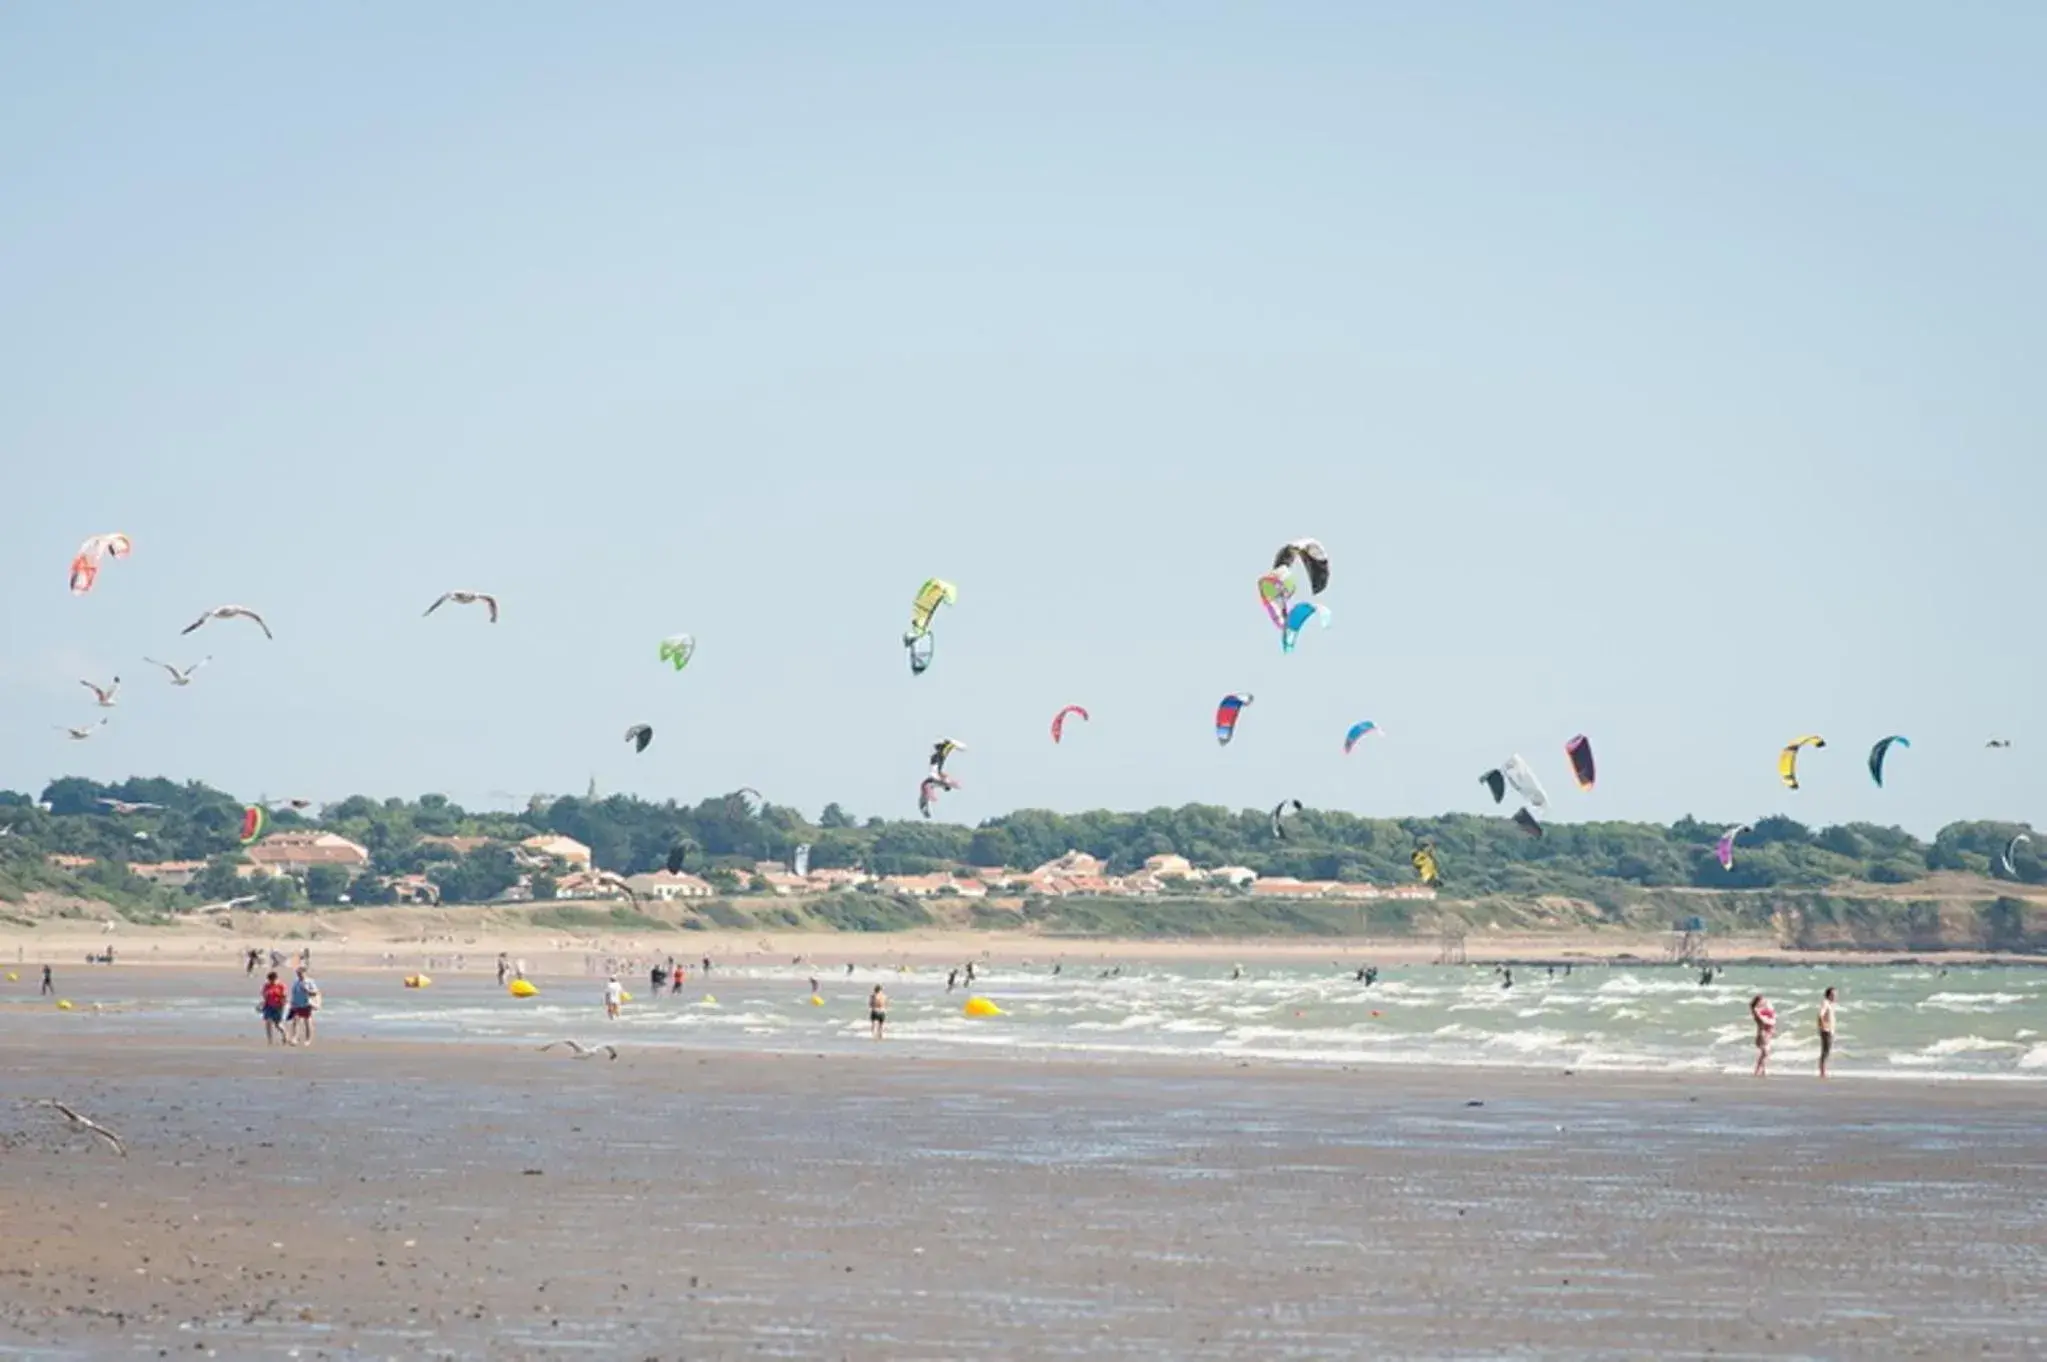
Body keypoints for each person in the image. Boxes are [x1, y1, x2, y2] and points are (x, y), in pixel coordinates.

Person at [287, 966, 321, 1046]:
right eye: (297, 974)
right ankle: (295, 1038)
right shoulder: (296, 982)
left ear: (304, 973)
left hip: (306, 1004)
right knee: (295, 1021)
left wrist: (307, 990)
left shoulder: (309, 982)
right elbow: (294, 993)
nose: (298, 975)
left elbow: (315, 993)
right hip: (297, 1004)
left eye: (300, 973)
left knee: (307, 1021)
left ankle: (308, 1039)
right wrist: (292, 1003)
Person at [260, 971, 289, 1045]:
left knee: (278, 1024)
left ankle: (285, 1034)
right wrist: (263, 1003)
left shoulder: (281, 986)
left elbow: (285, 997)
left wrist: (283, 1004)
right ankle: (270, 1040)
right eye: (270, 980)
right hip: (268, 1006)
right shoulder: (266, 986)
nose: (272, 982)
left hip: (278, 1007)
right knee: (268, 1022)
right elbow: (264, 994)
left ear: (276, 979)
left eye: (273, 980)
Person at [1750, 994, 1776, 1077]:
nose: (1764, 1002)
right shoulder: (1756, 1011)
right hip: (1763, 1034)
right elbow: (1763, 1021)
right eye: (1762, 1001)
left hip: (1767, 1033)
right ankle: (1757, 1071)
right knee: (1765, 1053)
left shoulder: (1763, 1010)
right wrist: (1770, 1020)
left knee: (1765, 1053)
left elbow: (1772, 1014)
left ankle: (1763, 1071)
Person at [1817, 986, 1837, 1078]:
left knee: (1827, 1051)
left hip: (1830, 1030)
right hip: (1826, 1030)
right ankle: (1822, 1071)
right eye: (1833, 994)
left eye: (1836, 994)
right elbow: (1820, 1014)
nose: (1835, 996)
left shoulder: (1831, 1004)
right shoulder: (1825, 1003)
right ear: (1828, 995)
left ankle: (1823, 1070)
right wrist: (1823, 1026)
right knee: (1825, 1051)